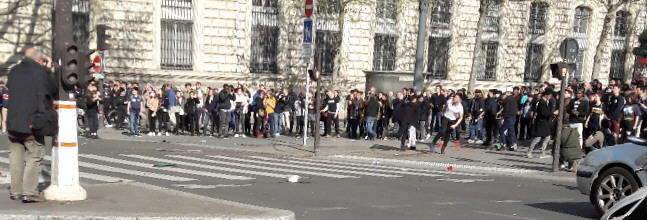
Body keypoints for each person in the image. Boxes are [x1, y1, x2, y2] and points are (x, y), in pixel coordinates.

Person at [6, 48, 56, 202]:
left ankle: (16, 191)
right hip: (32, 122)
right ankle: (29, 192)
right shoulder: (40, 72)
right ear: (39, 59)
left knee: (16, 157)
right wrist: (48, 71)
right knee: (34, 155)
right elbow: (53, 90)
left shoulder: (13, 71)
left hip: (13, 122)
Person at [527, 88, 555, 159]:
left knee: (547, 137)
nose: (550, 97)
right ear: (546, 95)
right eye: (549, 96)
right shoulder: (542, 102)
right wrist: (553, 113)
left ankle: (543, 152)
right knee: (537, 138)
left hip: (545, 123)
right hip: (541, 123)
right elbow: (544, 112)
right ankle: (529, 151)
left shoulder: (546, 101)